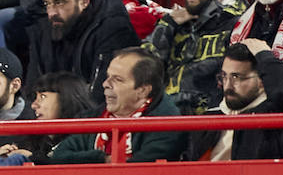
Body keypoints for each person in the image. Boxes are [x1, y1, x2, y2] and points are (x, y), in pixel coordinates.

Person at [142, 0, 247, 114]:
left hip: (208, 121)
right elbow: (142, 72)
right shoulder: (177, 22)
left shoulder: (239, 24)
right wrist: (167, 25)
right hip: (163, 116)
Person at [46, 47, 184, 164]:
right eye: (108, 76)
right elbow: (61, 155)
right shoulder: (95, 116)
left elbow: (139, 169)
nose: (105, 84)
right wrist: (102, 159)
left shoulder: (166, 123)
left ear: (142, 90)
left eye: (117, 79)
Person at [26, 0, 139, 104]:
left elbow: (100, 96)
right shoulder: (44, 29)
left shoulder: (112, 29)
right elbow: (32, 90)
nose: (51, 13)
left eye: (59, 2)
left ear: (84, 1)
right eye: (47, 4)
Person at [185, 39, 283, 161]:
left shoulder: (271, 118)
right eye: (224, 76)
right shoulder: (210, 117)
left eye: (236, 77)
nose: (228, 85)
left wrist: (265, 56)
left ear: (261, 80)